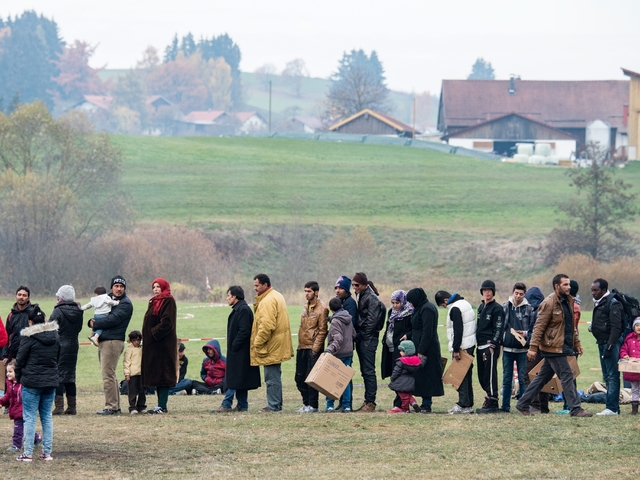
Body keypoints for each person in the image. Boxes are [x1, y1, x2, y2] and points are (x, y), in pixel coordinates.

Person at [516, 274, 592, 417]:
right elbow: (539, 327)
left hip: (562, 346)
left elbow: (570, 326)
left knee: (542, 378)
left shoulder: (569, 301)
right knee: (567, 375)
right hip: (553, 347)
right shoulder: (548, 303)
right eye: (565, 285)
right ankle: (575, 409)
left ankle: (522, 403)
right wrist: (533, 348)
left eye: (569, 284)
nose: (569, 287)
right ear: (556, 286)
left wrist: (577, 343)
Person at [14, 305, 60, 462]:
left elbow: (20, 360)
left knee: (29, 417)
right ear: (45, 320)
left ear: (31, 322)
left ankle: (27, 453)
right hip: (50, 381)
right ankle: (47, 453)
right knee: (46, 417)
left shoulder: (28, 337)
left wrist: (19, 377)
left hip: (31, 382)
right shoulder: (55, 336)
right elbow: (58, 357)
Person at [89, 276, 134, 415]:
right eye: (116, 286)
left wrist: (94, 323)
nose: (119, 289)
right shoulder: (107, 298)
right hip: (105, 340)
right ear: (111, 287)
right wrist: (91, 321)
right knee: (110, 375)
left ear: (124, 288)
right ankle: (115, 406)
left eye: (121, 286)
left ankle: (111, 407)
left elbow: (112, 320)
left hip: (113, 341)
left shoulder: (125, 304)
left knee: (108, 375)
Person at [250, 274, 294, 412]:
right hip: (278, 343)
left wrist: (257, 343)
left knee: (271, 377)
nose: (255, 288)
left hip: (271, 345)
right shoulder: (276, 295)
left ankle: (273, 405)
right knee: (274, 375)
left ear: (265, 284)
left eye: (257, 285)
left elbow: (267, 326)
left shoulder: (267, 301)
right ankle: (276, 404)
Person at [215, 286, 261, 413]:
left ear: (235, 296)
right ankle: (242, 405)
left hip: (241, 352)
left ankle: (226, 404)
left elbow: (244, 331)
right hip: (238, 352)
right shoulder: (239, 309)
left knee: (234, 379)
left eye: (229, 295)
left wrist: (234, 345)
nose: (227, 298)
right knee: (241, 379)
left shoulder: (243, 310)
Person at [435, 290, 476, 414]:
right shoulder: (465, 303)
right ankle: (468, 404)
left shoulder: (455, 308)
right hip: (470, 343)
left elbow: (458, 330)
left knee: (461, 375)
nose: (445, 307)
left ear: (446, 301)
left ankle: (463, 405)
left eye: (443, 305)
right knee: (467, 375)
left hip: (462, 346)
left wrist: (456, 349)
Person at [142, 278, 178, 414]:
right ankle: (159, 405)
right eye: (154, 287)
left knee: (163, 375)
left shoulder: (168, 300)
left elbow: (167, 322)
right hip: (153, 346)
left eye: (158, 287)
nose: (156, 289)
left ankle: (162, 405)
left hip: (162, 345)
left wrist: (153, 333)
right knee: (157, 374)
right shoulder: (154, 301)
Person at [406, 287, 444, 413]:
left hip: (428, 348)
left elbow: (427, 332)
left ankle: (427, 403)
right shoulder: (420, 307)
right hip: (419, 345)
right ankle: (424, 402)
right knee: (421, 375)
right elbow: (417, 327)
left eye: (411, 301)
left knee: (428, 375)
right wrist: (408, 335)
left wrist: (421, 351)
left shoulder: (427, 309)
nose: (410, 304)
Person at [590, 278, 623, 416]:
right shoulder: (600, 302)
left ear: (603, 290)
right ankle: (612, 406)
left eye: (596, 290)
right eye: (592, 290)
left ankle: (612, 408)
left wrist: (610, 346)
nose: (593, 293)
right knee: (606, 375)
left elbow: (616, 328)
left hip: (610, 344)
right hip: (602, 343)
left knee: (612, 375)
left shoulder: (613, 303)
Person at [49, 285, 83, 416]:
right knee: (70, 375)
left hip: (60, 344)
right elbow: (79, 328)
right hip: (74, 343)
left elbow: (51, 328)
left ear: (61, 297)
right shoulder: (79, 310)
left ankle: (59, 407)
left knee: (58, 375)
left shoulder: (58, 311)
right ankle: (72, 407)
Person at [295, 281, 328, 413]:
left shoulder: (322, 308)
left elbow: (322, 330)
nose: (306, 294)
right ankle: (306, 403)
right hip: (302, 345)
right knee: (299, 377)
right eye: (305, 291)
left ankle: (313, 405)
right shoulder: (305, 306)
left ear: (316, 292)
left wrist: (316, 348)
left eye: (309, 291)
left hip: (313, 347)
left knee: (311, 377)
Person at [352, 272, 383, 412]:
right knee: (365, 371)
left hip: (368, 339)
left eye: (357, 285)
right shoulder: (362, 295)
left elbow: (372, 321)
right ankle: (367, 401)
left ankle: (371, 403)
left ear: (364, 284)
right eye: (353, 285)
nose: (355, 287)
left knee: (369, 371)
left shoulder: (371, 298)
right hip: (363, 338)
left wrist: (364, 337)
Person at [501, 282, 533, 413]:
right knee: (507, 379)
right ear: (512, 293)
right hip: (507, 350)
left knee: (522, 379)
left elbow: (533, 329)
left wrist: (524, 334)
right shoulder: (505, 306)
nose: (518, 296)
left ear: (524, 294)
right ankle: (505, 406)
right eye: (516, 293)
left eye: (521, 294)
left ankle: (523, 406)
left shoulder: (529, 309)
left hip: (523, 350)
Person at [381, 290, 414, 410]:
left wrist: (407, 335)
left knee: (400, 376)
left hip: (400, 348)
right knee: (393, 374)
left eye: (397, 303)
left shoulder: (409, 313)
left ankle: (400, 403)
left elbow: (412, 329)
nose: (395, 305)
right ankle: (402, 402)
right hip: (389, 347)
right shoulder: (391, 311)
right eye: (393, 302)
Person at [475, 279, 504, 414]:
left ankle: (493, 400)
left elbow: (499, 327)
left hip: (489, 346)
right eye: (485, 290)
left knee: (491, 373)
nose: (487, 292)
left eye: (489, 290)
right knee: (482, 375)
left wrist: (494, 343)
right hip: (480, 345)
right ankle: (488, 396)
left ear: (493, 292)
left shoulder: (497, 308)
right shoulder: (481, 307)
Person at [0, 361, 42, 452]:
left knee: (18, 428)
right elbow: (8, 395)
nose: (7, 374)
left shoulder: (23, 384)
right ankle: (37, 437)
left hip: (23, 409)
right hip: (15, 410)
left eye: (10, 371)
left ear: (17, 372)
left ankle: (16, 445)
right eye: (7, 372)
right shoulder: (10, 383)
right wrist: (1, 402)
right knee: (24, 426)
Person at [325, 296, 356, 413]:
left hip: (338, 353)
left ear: (331, 309)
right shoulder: (348, 318)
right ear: (341, 306)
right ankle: (347, 405)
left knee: (331, 379)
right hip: (349, 352)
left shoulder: (336, 321)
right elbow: (353, 333)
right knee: (345, 379)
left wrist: (329, 349)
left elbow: (337, 338)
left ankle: (330, 405)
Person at [523, 286, 549, 414]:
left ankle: (535, 404)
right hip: (547, 348)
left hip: (537, 349)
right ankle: (544, 406)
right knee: (543, 376)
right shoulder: (547, 308)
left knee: (529, 375)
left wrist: (530, 346)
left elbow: (536, 331)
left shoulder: (537, 311)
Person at [387, 340, 426, 413]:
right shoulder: (416, 361)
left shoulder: (401, 361)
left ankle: (405, 409)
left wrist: (392, 378)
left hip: (401, 383)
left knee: (404, 398)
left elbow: (396, 371)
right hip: (410, 382)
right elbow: (421, 364)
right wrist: (423, 358)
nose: (400, 352)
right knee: (409, 395)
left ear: (406, 351)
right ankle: (414, 403)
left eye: (401, 350)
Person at [2, 286, 35, 364]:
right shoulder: (11, 315)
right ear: (16, 297)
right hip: (13, 352)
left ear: (28, 298)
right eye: (19, 295)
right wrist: (5, 355)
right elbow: (7, 335)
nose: (21, 297)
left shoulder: (33, 314)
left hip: (29, 353)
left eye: (24, 295)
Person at [620, 318, 640, 415]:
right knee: (634, 389)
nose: (639, 327)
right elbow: (624, 349)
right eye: (637, 325)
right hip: (633, 370)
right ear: (633, 327)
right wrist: (624, 355)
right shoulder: (629, 339)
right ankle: (634, 409)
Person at [123, 330, 146, 414]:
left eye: (138, 340)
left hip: (141, 373)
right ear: (131, 340)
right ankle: (132, 407)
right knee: (132, 392)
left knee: (142, 390)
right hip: (132, 374)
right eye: (134, 340)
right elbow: (126, 362)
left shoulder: (141, 349)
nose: (136, 342)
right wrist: (127, 374)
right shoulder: (129, 350)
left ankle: (141, 406)